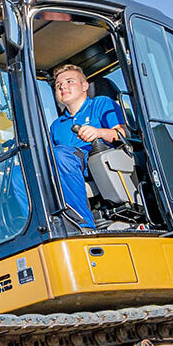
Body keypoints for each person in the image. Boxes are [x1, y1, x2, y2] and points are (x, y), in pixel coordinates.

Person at [49, 64, 127, 229]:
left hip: (94, 159)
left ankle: (81, 224)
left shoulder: (100, 104)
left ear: (85, 86)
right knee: (20, 174)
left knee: (60, 154)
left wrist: (99, 132)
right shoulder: (56, 125)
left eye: (69, 81)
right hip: (65, 166)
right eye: (58, 85)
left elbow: (121, 133)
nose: (62, 86)